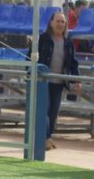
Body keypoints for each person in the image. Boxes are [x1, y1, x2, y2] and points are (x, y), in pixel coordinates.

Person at [28, 10, 80, 151]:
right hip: (44, 82)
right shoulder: (42, 39)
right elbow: (29, 57)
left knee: (53, 113)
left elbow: (73, 63)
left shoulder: (68, 42)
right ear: (51, 23)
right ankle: (45, 138)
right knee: (44, 109)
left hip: (59, 83)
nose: (60, 24)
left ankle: (48, 136)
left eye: (62, 21)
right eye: (57, 21)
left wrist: (77, 80)